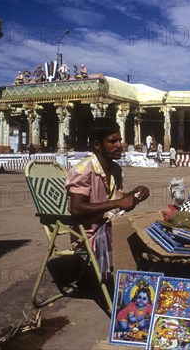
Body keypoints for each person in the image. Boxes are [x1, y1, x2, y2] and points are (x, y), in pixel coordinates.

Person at [65, 117, 150, 277]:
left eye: (120, 140)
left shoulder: (116, 169)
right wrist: (118, 202)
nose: (119, 145)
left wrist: (136, 194)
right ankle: (125, 286)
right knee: (134, 241)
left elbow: (118, 199)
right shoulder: (83, 170)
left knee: (147, 227)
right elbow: (76, 209)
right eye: (113, 141)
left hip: (110, 227)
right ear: (97, 145)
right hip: (89, 237)